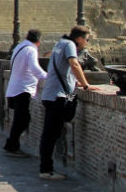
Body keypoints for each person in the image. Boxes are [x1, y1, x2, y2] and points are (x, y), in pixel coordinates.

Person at [38, 26, 92, 180]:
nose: (86, 43)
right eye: (87, 40)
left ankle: (46, 168)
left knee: (51, 132)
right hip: (58, 96)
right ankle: (46, 170)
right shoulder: (69, 45)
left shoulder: (60, 43)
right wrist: (85, 84)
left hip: (53, 94)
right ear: (79, 38)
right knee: (50, 134)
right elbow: (74, 64)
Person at [3, 29, 47, 156]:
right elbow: (34, 68)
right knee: (22, 120)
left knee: (20, 119)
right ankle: (12, 146)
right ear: (38, 41)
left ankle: (11, 144)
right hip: (23, 89)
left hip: (14, 88)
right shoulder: (31, 49)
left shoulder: (19, 47)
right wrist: (47, 76)